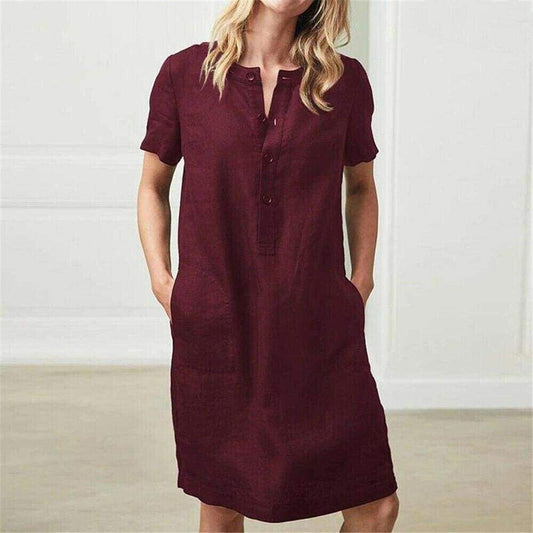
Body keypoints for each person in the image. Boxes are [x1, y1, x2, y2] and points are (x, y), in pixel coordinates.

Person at [137, 0, 399, 531]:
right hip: (219, 324)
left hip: (318, 322)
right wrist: (164, 282)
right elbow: (152, 186)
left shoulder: (344, 82)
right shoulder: (185, 74)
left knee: (376, 505)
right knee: (222, 503)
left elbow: (361, 187)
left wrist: (361, 282)